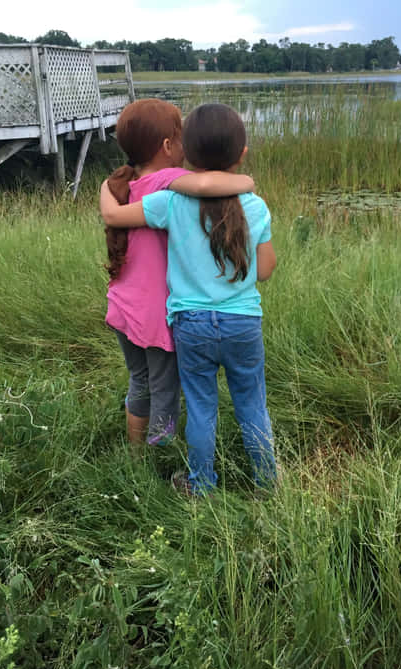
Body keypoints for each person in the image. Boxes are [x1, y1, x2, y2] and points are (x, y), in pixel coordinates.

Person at [100, 103, 277, 496]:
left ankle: (200, 483)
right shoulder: (257, 207)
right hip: (242, 323)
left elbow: (117, 217)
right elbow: (264, 270)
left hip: (190, 324)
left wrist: (105, 194)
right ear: (242, 154)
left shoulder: (171, 202)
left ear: (187, 154)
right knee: (252, 404)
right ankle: (266, 482)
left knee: (200, 407)